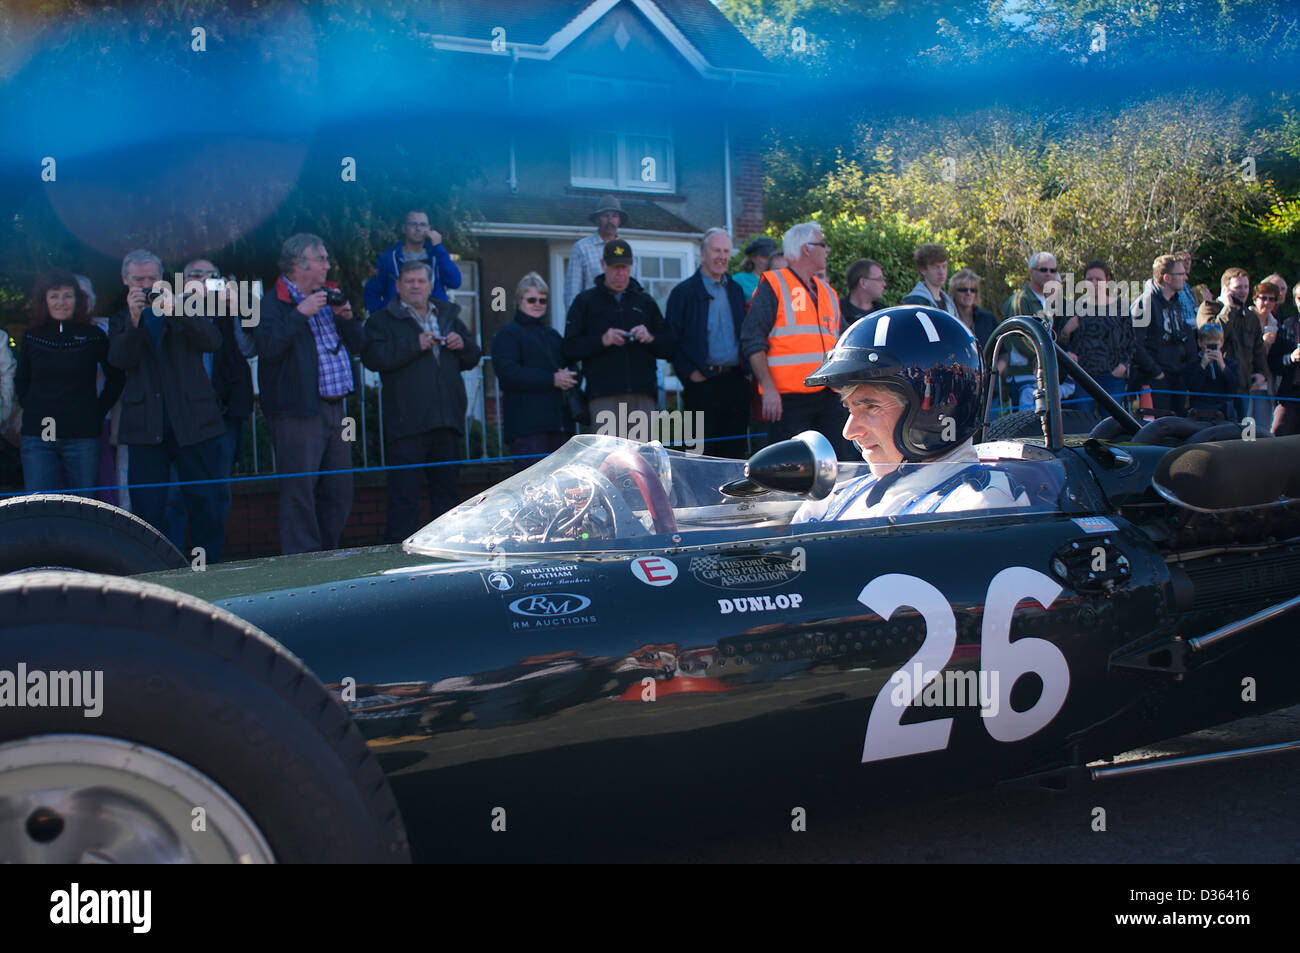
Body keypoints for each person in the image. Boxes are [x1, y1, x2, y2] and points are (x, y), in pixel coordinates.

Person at [792, 306, 1029, 523]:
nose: (849, 432)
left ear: (935, 408)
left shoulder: (979, 505)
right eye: (850, 409)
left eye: (870, 407)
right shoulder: (840, 496)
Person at [108, 250, 228, 559]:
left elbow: (211, 341)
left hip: (194, 422)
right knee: (149, 507)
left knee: (206, 503)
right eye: (139, 279)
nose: (146, 285)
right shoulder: (121, 317)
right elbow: (120, 360)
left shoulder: (184, 305)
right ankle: (159, 575)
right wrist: (135, 319)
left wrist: (177, 309)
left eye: (152, 278)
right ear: (125, 280)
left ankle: (208, 569)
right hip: (146, 427)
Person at [256, 233, 365, 554]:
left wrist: (347, 318)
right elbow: (267, 347)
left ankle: (327, 555)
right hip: (297, 411)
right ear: (297, 264)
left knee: (340, 488)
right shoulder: (271, 301)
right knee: (299, 491)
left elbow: (361, 346)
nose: (328, 265)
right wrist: (299, 313)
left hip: (336, 408)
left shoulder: (328, 295)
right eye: (322, 260)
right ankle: (303, 563)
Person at [362, 260, 481, 541]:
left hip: (447, 422)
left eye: (421, 281)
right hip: (406, 426)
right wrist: (415, 345)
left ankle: (448, 555)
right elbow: (373, 358)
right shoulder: (381, 320)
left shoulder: (447, 315)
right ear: (398, 286)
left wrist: (462, 345)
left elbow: (474, 355)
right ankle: (398, 564)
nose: (415, 286)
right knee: (404, 500)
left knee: (448, 499)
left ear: (430, 285)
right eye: (409, 281)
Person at [740, 220, 850, 457]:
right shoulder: (775, 284)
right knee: (790, 470)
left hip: (828, 397)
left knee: (834, 464)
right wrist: (768, 389)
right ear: (806, 249)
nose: (827, 249)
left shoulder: (828, 292)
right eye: (823, 244)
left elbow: (844, 340)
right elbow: (752, 339)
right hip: (787, 402)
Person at [17, 271, 124, 495]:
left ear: (78, 300)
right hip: (40, 433)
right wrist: (37, 409)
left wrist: (96, 411)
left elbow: (116, 378)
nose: (61, 302)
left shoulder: (93, 335)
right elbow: (21, 380)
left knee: (83, 506)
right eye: (54, 296)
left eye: (68, 296)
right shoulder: (32, 336)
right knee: (39, 503)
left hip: (82, 435)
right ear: (44, 300)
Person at [563, 239, 672, 426]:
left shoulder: (645, 302)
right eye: (615, 268)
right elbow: (569, 349)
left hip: (642, 396)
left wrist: (650, 337)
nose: (620, 274)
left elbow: (669, 347)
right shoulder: (585, 302)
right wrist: (602, 341)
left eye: (625, 267)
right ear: (602, 264)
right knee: (609, 456)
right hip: (602, 397)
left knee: (641, 455)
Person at [665, 228, 749, 457]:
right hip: (701, 386)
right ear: (703, 254)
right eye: (716, 250)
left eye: (725, 251)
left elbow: (746, 334)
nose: (722, 256)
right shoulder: (683, 293)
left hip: (735, 384)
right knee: (699, 455)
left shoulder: (736, 290)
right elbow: (671, 340)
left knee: (734, 455)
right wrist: (690, 373)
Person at [491, 273, 575, 471]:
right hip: (526, 428)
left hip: (558, 425)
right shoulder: (507, 334)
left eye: (542, 300)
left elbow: (571, 367)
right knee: (532, 491)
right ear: (519, 301)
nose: (537, 304)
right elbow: (507, 373)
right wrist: (552, 379)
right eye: (531, 299)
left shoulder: (553, 335)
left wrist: (569, 377)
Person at [1000, 251, 1077, 410]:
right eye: (1043, 270)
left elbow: (1050, 336)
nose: (1049, 274)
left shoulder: (1050, 301)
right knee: (1026, 429)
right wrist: (1050, 356)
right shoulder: (1020, 300)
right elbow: (1020, 339)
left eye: (1053, 270)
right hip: (1023, 377)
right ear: (1031, 272)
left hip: (1043, 375)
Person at [363, 209, 462, 313]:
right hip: (399, 321)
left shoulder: (437, 255)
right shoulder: (389, 258)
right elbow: (371, 293)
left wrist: (438, 247)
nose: (418, 228)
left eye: (423, 225)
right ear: (404, 228)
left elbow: (455, 282)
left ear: (429, 229)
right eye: (413, 224)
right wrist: (383, 319)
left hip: (432, 319)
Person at [1066, 260, 1132, 415]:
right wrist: (1066, 331)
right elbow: (1063, 343)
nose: (1094, 283)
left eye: (1099, 279)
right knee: (1083, 423)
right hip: (1083, 377)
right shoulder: (1075, 307)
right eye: (1089, 279)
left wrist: (1122, 366)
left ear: (1107, 281)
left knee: (1112, 424)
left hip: (1112, 377)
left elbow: (1130, 342)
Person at [1132, 254, 1195, 415]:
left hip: (1177, 377)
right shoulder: (1146, 302)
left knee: (1178, 428)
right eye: (1180, 274)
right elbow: (1134, 343)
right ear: (1167, 277)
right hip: (1155, 380)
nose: (1185, 277)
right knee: (1159, 430)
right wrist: (1156, 371)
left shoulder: (1176, 302)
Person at [1207, 267, 1269, 425]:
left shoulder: (1250, 317)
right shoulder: (1209, 308)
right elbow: (1212, 336)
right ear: (1226, 289)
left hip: (1243, 387)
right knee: (1220, 433)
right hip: (1218, 388)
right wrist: (1227, 310)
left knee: (1245, 435)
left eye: (1246, 287)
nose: (1243, 292)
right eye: (1238, 287)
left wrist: (1262, 373)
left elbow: (1258, 350)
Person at [563, 195, 639, 313]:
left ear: (619, 221)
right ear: (597, 219)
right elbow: (572, 292)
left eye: (614, 216)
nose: (610, 221)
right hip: (592, 316)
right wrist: (575, 322)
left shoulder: (627, 250)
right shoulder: (582, 248)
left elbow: (635, 289)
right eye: (606, 216)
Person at [1183, 322, 1238, 422]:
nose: (1212, 349)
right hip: (1200, 412)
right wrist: (1202, 366)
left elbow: (1234, 387)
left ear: (1221, 343)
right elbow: (1192, 387)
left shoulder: (1231, 364)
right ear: (1200, 343)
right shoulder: (1192, 365)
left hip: (1224, 412)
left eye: (1215, 344)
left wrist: (1222, 366)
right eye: (1209, 344)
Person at [1269, 301, 1300, 436]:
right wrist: (1291, 358)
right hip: (1291, 393)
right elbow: (1274, 362)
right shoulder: (1287, 326)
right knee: (1278, 433)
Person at [902, 243, 956, 315]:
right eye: (936, 267)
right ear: (923, 270)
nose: (941, 272)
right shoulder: (915, 302)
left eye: (944, 266)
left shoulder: (949, 303)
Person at [947, 268, 996, 347]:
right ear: (953, 292)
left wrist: (1000, 360)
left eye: (973, 290)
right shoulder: (948, 321)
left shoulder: (988, 319)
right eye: (963, 289)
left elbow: (1002, 353)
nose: (968, 293)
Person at [843, 259, 887, 325]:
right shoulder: (838, 312)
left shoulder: (884, 314)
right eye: (879, 279)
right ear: (863, 282)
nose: (884, 284)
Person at [733, 237, 776, 303]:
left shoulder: (779, 279)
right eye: (765, 256)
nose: (768, 260)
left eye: (771, 257)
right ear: (753, 258)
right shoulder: (738, 279)